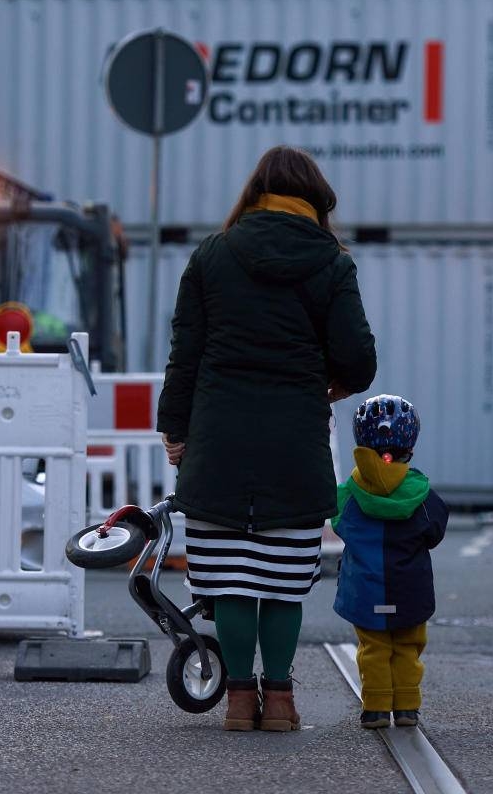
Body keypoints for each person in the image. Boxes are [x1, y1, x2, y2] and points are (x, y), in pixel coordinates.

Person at [156, 145, 377, 732]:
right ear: (315, 200)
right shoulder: (331, 262)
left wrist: (176, 431)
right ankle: (279, 701)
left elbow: (186, 354)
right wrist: (325, 385)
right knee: (281, 583)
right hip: (294, 442)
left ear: (254, 193)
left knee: (230, 580)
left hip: (218, 440)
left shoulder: (213, 255)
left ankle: (235, 700)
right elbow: (359, 357)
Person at [332, 394, 449, 729]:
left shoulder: (348, 492)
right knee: (408, 646)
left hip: (365, 590)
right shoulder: (422, 493)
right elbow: (435, 532)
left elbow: (339, 523)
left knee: (373, 648)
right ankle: (408, 707)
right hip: (410, 590)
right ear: (410, 444)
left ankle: (377, 708)